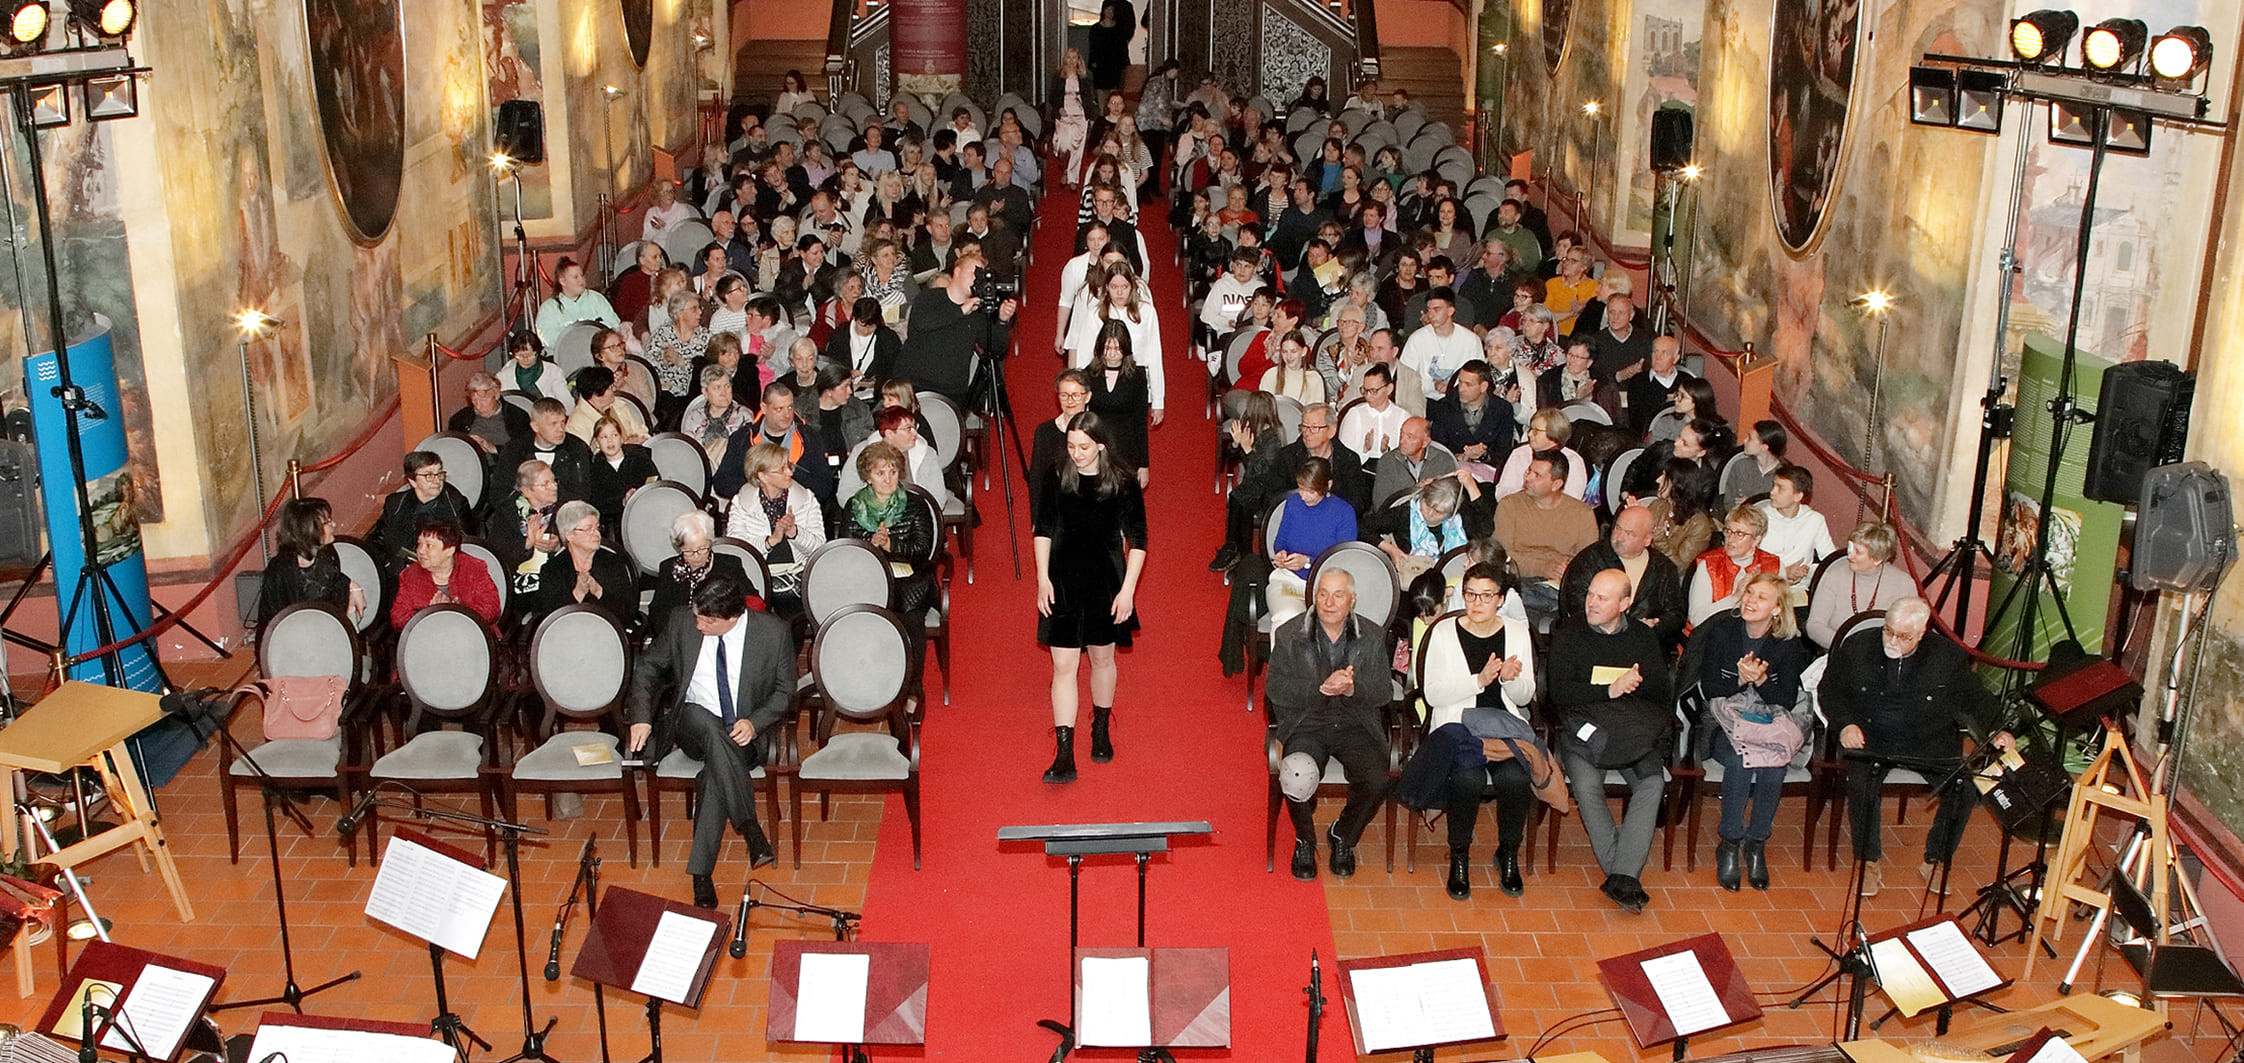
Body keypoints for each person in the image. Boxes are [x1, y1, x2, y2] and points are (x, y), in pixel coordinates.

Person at [1822, 598, 2012, 895]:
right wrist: (1846, 723)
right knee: (1861, 783)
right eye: (1888, 631)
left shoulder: (1947, 657)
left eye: (1904, 636)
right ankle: (1868, 859)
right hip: (1870, 735)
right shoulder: (1858, 646)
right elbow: (1830, 690)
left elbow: (1977, 699)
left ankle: (1936, 860)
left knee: (1964, 789)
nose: (1893, 641)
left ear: (1922, 633)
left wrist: (1999, 730)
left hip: (1929, 739)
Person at [626, 571, 792, 907]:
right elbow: (647, 668)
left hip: (743, 736)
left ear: (732, 617)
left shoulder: (773, 632)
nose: (698, 625)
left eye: (707, 621)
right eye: (696, 616)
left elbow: (785, 692)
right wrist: (642, 718)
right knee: (704, 721)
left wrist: (756, 723)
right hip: (693, 726)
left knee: (714, 775)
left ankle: (701, 874)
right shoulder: (681, 622)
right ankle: (749, 826)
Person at [1034, 411, 1148, 783]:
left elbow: (1139, 541)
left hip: (1106, 579)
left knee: (1102, 659)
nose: (1076, 454)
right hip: (1062, 579)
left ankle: (1100, 726)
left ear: (1100, 445)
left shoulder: (1123, 481)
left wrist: (1128, 590)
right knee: (1063, 667)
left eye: (1083, 447)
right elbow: (1044, 528)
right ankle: (1065, 752)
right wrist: (1041, 578)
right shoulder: (1056, 474)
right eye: (1070, 446)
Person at [1552, 569, 1673, 912]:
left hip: (1632, 730)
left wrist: (1636, 684)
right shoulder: (1570, 632)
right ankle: (1625, 875)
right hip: (1583, 730)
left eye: (1602, 598)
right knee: (1587, 785)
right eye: (1590, 594)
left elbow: (1661, 694)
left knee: (1652, 784)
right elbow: (1558, 693)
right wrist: (1609, 689)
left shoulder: (1641, 637)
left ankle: (1620, 876)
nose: (1591, 602)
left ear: (1625, 603)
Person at [1681, 571, 1811, 890]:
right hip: (1724, 726)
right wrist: (1739, 680)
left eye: (1761, 597)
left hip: (1768, 724)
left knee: (1775, 763)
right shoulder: (1723, 631)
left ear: (1778, 609)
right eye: (1750, 593)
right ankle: (1729, 841)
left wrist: (1761, 680)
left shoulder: (1788, 644)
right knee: (1741, 761)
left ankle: (1756, 842)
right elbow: (1710, 687)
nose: (1751, 601)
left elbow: (1786, 698)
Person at [1420, 562, 1540, 899]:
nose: (1477, 603)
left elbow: (1526, 696)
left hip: (1503, 725)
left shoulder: (1517, 631)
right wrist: (1479, 680)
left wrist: (1508, 680)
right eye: (1470, 594)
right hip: (1459, 728)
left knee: (1516, 778)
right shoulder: (1444, 633)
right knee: (1467, 780)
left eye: (1486, 596)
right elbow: (1432, 693)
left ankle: (1508, 853)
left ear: (1501, 599)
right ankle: (1459, 857)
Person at [1267, 567, 1394, 881]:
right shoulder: (1289, 635)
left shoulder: (1373, 636)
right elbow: (1275, 689)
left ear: (1352, 600)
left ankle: (1343, 836)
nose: (1329, 602)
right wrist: (1319, 689)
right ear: (1313, 596)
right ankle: (1305, 841)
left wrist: (1353, 689)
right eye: (1323, 593)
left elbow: (1383, 693)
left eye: (1338, 595)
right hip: (1307, 722)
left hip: (1354, 722)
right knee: (1296, 774)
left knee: (1377, 779)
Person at [894, 254, 1019, 406]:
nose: (977, 279)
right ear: (957, 271)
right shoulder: (929, 297)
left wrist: (1002, 321)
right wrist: (960, 311)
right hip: (914, 385)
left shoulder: (976, 311)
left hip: (951, 392)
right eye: (974, 273)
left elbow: (996, 350)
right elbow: (922, 323)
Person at [1493, 450, 1599, 623]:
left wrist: (1567, 571)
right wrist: (1542, 567)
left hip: (1561, 585)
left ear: (1556, 484)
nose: (1528, 478)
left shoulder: (1581, 513)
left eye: (1537, 475)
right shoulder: (1509, 506)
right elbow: (1503, 556)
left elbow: (1589, 561)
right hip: (1522, 581)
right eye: (1529, 471)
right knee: (1514, 597)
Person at [1560, 504, 1686, 649]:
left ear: (1647, 540)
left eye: (1629, 534)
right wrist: (1624, 627)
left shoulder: (1663, 568)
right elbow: (1579, 608)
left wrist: (1655, 626)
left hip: (1646, 646)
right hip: (1596, 644)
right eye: (1618, 528)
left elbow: (1676, 614)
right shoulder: (1590, 560)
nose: (1619, 537)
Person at [842, 441, 937, 630]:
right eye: (880, 474)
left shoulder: (916, 505)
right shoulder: (853, 507)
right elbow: (847, 552)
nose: (888, 479)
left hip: (909, 582)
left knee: (910, 618)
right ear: (867, 477)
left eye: (892, 472)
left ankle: (910, 660)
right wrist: (871, 545)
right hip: (868, 579)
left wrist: (889, 545)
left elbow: (923, 550)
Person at [723, 443, 827, 607]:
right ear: (762, 476)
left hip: (798, 576)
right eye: (782, 469)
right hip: (756, 578)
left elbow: (820, 549)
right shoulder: (742, 502)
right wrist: (771, 540)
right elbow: (737, 552)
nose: (790, 472)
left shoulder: (806, 499)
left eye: (789, 466)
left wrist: (795, 532)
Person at [1263, 458, 1360, 626]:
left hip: (1326, 586)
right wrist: (1282, 554)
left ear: (1327, 486)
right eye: (1301, 488)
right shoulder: (1293, 503)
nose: (1303, 496)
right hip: (1289, 581)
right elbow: (1280, 541)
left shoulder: (1344, 512)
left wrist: (1308, 562)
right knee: (1287, 619)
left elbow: (1342, 559)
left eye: (1310, 491)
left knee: (1324, 627)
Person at [255, 498, 364, 633]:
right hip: (291, 639)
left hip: (327, 633)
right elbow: (272, 621)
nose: (334, 524)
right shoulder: (280, 570)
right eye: (327, 522)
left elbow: (335, 582)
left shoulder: (327, 554)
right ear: (309, 529)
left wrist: (352, 586)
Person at [1805, 522, 1917, 649]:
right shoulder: (1834, 574)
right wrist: (1850, 647)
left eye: (1857, 551)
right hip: (1840, 651)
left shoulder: (1904, 584)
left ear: (1877, 559)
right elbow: (1815, 625)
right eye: (1850, 547)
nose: (1850, 555)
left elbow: (1910, 632)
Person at [531, 500, 639, 625]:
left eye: (597, 528)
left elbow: (627, 614)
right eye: (589, 529)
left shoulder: (613, 563)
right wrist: (577, 594)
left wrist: (599, 592)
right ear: (569, 535)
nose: (597, 534)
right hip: (565, 637)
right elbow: (548, 618)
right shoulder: (552, 569)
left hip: (606, 635)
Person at [647, 510, 749, 640]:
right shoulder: (669, 569)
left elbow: (749, 603)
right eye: (688, 551)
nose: (696, 556)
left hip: (721, 635)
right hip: (680, 637)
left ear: (710, 543)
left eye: (702, 549)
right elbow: (658, 613)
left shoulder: (730, 565)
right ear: (679, 548)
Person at [369, 451, 480, 567]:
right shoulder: (395, 503)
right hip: (399, 573)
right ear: (412, 481)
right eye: (429, 475)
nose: (437, 480)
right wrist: (388, 563)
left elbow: (467, 547)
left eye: (439, 473)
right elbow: (377, 541)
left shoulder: (456, 504)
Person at [391, 519, 502, 630]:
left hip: (469, 634)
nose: (421, 551)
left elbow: (492, 609)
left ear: (450, 550)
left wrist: (454, 610)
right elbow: (398, 618)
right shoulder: (410, 575)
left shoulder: (474, 568)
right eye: (420, 543)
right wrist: (428, 613)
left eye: (429, 545)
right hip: (428, 637)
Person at [1084, 320, 1154, 486]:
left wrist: (1144, 464)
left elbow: (1140, 422)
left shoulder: (1137, 376)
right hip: (1097, 449)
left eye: (1117, 348)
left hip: (1126, 450)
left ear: (1126, 348)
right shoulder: (1089, 373)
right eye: (1107, 348)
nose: (1112, 354)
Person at [1688, 505, 1782, 626]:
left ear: (1757, 539)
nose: (1730, 539)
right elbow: (1697, 619)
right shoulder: (1708, 565)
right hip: (1712, 636)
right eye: (1728, 531)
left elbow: (1782, 615)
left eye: (1739, 534)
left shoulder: (1774, 565)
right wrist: (1735, 597)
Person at [493, 398, 594, 508]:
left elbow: (582, 494)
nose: (560, 429)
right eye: (553, 424)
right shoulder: (515, 450)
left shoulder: (576, 448)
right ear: (535, 426)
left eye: (562, 422)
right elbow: (500, 493)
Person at [1275, 403, 1371, 515]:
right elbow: (1275, 498)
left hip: (1336, 520)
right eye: (1304, 427)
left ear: (1331, 431)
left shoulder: (1348, 459)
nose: (1306, 433)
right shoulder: (1287, 457)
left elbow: (1359, 501)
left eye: (1314, 428)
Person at [1758, 465, 1836, 595]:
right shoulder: (1761, 518)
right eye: (1773, 486)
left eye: (1780, 488)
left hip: (1800, 590)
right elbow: (1751, 561)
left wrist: (1807, 571)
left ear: (1798, 496)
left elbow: (1829, 559)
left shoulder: (1814, 520)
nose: (1772, 492)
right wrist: (1784, 572)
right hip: (1765, 588)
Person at [1030, 369, 1094, 525]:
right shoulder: (1044, 431)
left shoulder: (1097, 430)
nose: (1070, 401)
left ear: (1088, 397)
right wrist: (1037, 519)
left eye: (1076, 395)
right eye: (1064, 395)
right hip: (1056, 513)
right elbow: (1037, 477)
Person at [1426, 359, 1515, 468]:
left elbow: (1505, 454)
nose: (1461, 389)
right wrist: (1459, 456)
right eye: (1460, 382)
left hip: (1489, 473)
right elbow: (1437, 450)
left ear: (1483, 387)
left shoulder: (1502, 410)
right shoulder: (1444, 408)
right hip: (1453, 469)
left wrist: (1483, 455)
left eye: (1468, 384)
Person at [1399, 287, 1480, 403]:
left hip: (1459, 400)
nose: (1431, 315)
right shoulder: (1417, 339)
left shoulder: (1471, 340)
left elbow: (1477, 376)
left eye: (1437, 309)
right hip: (1424, 400)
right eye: (1428, 310)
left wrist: (1452, 387)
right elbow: (1405, 377)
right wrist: (1432, 385)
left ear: (1450, 311)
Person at [585, 415, 658, 537]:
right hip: (615, 524)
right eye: (604, 437)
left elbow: (655, 481)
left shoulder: (638, 456)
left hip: (647, 513)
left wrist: (639, 495)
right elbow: (597, 502)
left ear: (621, 437)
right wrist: (623, 500)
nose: (610, 441)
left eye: (614, 435)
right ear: (597, 442)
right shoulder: (595, 467)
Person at [1368, 416, 1458, 513]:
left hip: (1433, 521)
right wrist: (1415, 490)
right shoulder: (1388, 461)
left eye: (1410, 437)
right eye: (1401, 434)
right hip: (1396, 522)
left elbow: (1451, 504)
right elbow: (1381, 506)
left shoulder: (1443, 461)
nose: (1402, 441)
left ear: (1425, 442)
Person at [533, 259, 621, 347]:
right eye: (575, 277)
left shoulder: (596, 299)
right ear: (562, 281)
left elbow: (614, 324)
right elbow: (548, 338)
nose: (581, 280)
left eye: (582, 276)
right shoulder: (548, 308)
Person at [448, 371, 529, 456]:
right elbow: (452, 450)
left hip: (504, 466)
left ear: (497, 395)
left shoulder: (518, 417)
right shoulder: (459, 419)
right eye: (474, 401)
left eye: (483, 400)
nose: (478, 406)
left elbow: (524, 451)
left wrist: (495, 449)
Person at [565, 366, 650, 446]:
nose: (614, 390)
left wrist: (639, 439)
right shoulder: (577, 423)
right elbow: (586, 456)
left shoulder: (618, 405)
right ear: (596, 394)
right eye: (610, 388)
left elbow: (641, 431)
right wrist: (626, 445)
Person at [500, 330, 570, 404]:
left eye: (529, 355)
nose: (525, 359)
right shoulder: (504, 376)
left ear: (537, 352)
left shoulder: (553, 371)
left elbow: (566, 402)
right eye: (520, 356)